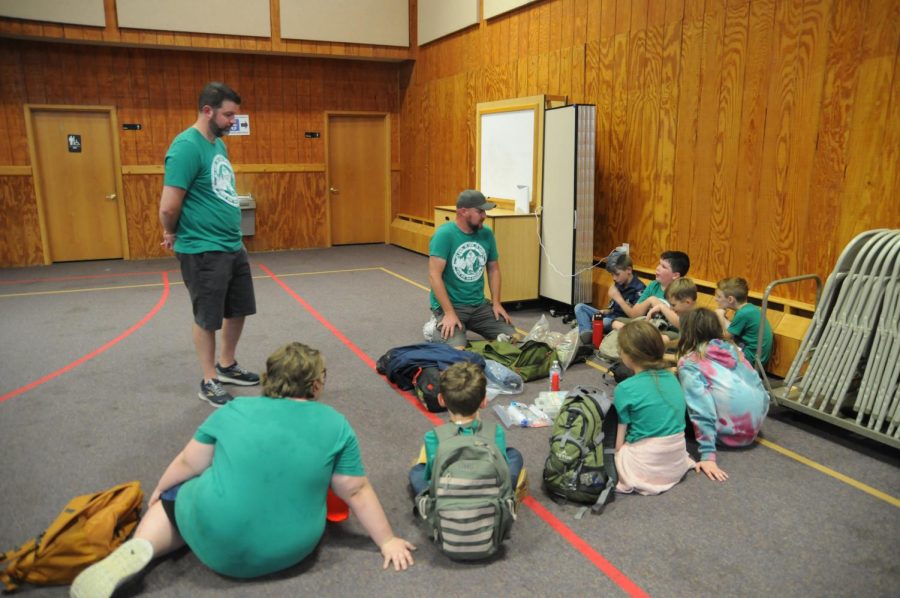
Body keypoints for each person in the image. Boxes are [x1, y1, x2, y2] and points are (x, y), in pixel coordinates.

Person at [70, 342, 415, 598]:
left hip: (216, 545)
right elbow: (354, 490)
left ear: (269, 379)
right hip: (293, 550)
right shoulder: (335, 423)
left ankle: (142, 547)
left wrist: (162, 491)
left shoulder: (233, 411)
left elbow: (188, 463)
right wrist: (386, 541)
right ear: (316, 385)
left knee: (181, 493)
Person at [159, 82, 259, 406]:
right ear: (207, 111)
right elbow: (169, 205)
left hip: (231, 244)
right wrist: (170, 232)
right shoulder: (186, 146)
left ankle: (227, 365)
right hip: (203, 248)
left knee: (238, 309)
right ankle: (209, 379)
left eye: (235, 115)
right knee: (207, 316)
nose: (233, 121)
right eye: (228, 115)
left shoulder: (217, 144)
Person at [676, 308, 769, 482]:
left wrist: (708, 457)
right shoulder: (734, 350)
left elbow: (701, 408)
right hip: (752, 428)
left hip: (727, 435)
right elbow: (758, 386)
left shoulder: (689, 362)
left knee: (673, 390)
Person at [408, 362, 523, 496]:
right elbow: (502, 469)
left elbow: (432, 476)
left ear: (441, 400)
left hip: (448, 502)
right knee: (514, 454)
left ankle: (428, 502)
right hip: (490, 500)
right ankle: (506, 494)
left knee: (417, 471)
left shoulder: (433, 436)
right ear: (484, 401)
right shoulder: (495, 432)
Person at [611, 320, 695, 495]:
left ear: (629, 356)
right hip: (676, 461)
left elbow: (618, 444)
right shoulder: (673, 378)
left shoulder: (624, 388)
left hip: (647, 466)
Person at [428, 190, 515, 349]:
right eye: (480, 211)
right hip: (451, 306)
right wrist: (448, 313)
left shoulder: (486, 233)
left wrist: (496, 303)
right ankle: (435, 324)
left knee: (514, 340)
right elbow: (434, 276)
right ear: (463, 211)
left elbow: (493, 268)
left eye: (485, 211)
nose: (484, 215)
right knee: (457, 352)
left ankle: (462, 325)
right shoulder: (444, 235)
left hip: (479, 305)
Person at [573, 252, 645, 344]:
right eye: (612, 275)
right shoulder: (619, 283)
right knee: (579, 307)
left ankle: (588, 328)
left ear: (629, 270)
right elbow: (613, 309)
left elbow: (635, 316)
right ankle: (588, 332)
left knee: (605, 321)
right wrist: (604, 311)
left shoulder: (640, 289)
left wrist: (618, 298)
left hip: (620, 322)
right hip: (610, 316)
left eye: (617, 274)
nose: (614, 278)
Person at [609, 250, 690, 330]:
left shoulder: (683, 291)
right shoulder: (653, 285)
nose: (658, 268)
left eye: (663, 267)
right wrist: (650, 300)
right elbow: (634, 314)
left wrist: (659, 305)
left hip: (668, 331)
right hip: (648, 325)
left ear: (675, 275)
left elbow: (680, 324)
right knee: (615, 322)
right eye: (659, 264)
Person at [713, 277, 774, 368]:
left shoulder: (743, 313)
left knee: (713, 346)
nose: (715, 299)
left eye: (719, 296)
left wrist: (720, 316)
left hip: (751, 358)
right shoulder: (749, 308)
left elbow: (726, 337)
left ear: (730, 299)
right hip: (754, 354)